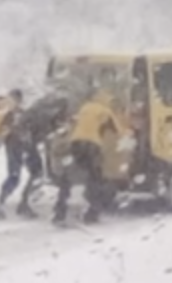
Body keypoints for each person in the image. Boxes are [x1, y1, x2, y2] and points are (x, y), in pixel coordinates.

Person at [53, 89, 123, 225]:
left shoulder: (85, 107)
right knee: (95, 178)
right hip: (92, 145)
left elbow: (75, 123)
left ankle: (59, 211)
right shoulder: (105, 111)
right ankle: (92, 213)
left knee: (69, 175)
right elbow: (118, 130)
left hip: (76, 143)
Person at [0, 91, 70, 219]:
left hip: (13, 141)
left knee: (15, 174)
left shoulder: (37, 110)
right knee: (36, 172)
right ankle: (22, 204)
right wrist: (51, 170)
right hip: (24, 142)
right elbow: (48, 144)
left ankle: (1, 203)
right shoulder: (48, 118)